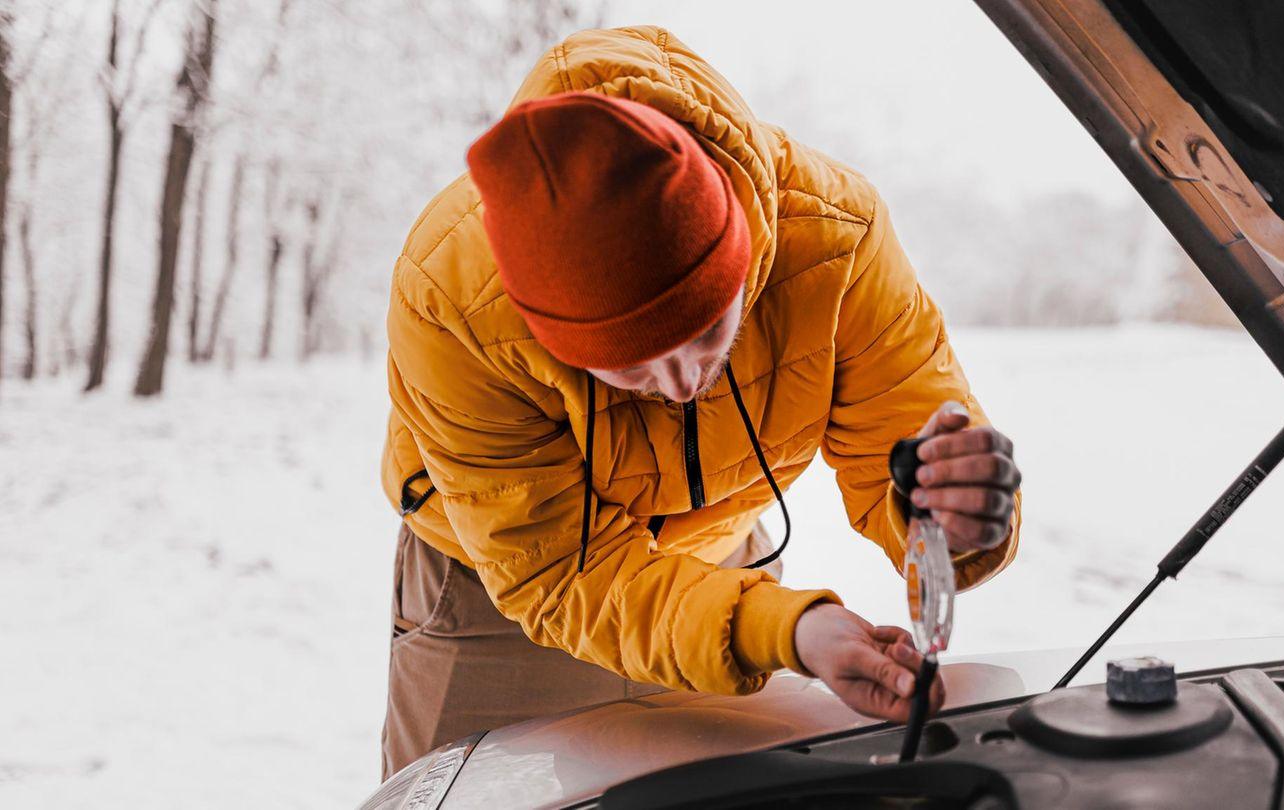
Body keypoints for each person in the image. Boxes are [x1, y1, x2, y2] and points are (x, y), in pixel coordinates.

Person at [378, 25, 1021, 779]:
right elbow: (561, 576)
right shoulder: (451, 297)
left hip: (723, 556)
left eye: (710, 327)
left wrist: (952, 514)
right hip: (503, 584)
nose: (686, 382)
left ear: (744, 244)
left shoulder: (837, 241)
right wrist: (781, 626)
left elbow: (905, 457)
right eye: (628, 367)